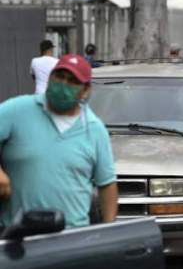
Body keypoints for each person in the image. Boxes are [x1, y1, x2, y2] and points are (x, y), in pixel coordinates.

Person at [0, 54, 118, 228]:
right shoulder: (16, 110)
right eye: (59, 76)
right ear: (49, 78)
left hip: (71, 241)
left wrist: (110, 232)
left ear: (85, 90)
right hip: (17, 240)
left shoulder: (94, 129)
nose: (63, 84)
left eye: (72, 81)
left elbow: (106, 184)